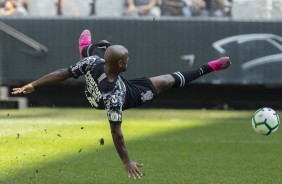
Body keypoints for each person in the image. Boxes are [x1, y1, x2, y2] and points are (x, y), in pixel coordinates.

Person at [12, 29, 231, 179]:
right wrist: (127, 161)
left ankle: (85, 48)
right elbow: (116, 132)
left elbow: (63, 73)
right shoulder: (115, 96)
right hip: (118, 95)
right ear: (120, 63)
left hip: (102, 82)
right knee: (166, 81)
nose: (129, 61)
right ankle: (211, 67)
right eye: (126, 59)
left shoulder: (93, 62)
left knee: (103, 46)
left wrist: (34, 84)